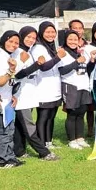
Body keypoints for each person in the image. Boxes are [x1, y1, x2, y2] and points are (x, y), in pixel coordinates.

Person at [12, 26, 58, 161]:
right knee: (28, 125)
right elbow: (18, 74)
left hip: (29, 93)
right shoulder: (18, 52)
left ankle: (19, 151)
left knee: (20, 125)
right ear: (21, 36)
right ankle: (44, 152)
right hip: (20, 95)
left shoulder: (29, 51)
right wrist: (37, 64)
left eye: (33, 37)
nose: (31, 40)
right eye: (28, 37)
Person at [0, 31, 21, 168]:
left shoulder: (8, 55)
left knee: (9, 130)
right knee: (2, 130)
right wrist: (11, 70)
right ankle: (4, 159)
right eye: (11, 41)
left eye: (16, 43)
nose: (13, 45)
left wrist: (14, 95)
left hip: (8, 99)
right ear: (4, 40)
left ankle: (10, 156)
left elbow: (10, 81)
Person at [31, 21, 66, 149]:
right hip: (43, 89)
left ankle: (48, 141)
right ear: (41, 32)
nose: (51, 34)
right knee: (43, 117)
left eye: (53, 32)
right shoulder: (38, 47)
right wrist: (58, 57)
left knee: (51, 116)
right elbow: (44, 67)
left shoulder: (51, 47)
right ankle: (41, 144)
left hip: (54, 89)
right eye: (47, 32)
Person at [58, 30, 93, 149]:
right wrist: (76, 62)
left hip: (83, 86)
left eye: (75, 39)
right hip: (71, 86)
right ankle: (71, 140)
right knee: (72, 114)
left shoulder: (80, 53)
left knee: (81, 113)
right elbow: (62, 70)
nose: (73, 42)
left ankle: (80, 138)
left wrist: (90, 59)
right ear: (66, 40)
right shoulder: (63, 53)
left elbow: (85, 68)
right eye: (70, 39)